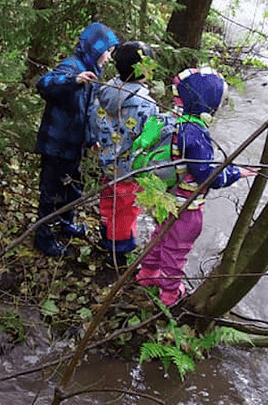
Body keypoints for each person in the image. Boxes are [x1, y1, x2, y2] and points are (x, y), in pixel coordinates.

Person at [136, 68, 257, 305]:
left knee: (158, 237)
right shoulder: (196, 134)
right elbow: (207, 175)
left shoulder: (173, 120)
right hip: (185, 206)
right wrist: (236, 173)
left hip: (164, 196)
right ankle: (169, 293)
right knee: (177, 250)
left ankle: (147, 274)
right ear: (208, 103)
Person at [34, 22, 119, 257]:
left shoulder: (93, 72)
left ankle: (66, 222)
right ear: (94, 48)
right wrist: (74, 80)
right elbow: (44, 84)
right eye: (107, 52)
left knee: (72, 188)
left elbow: (88, 112)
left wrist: (92, 139)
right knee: (51, 193)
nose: (109, 58)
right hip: (56, 146)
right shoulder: (72, 67)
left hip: (74, 147)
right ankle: (44, 237)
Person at [87, 41, 158, 268]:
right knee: (126, 211)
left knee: (108, 202)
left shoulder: (106, 90)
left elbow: (94, 119)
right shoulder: (145, 105)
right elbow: (151, 139)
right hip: (130, 169)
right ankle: (119, 255)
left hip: (107, 161)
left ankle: (106, 237)